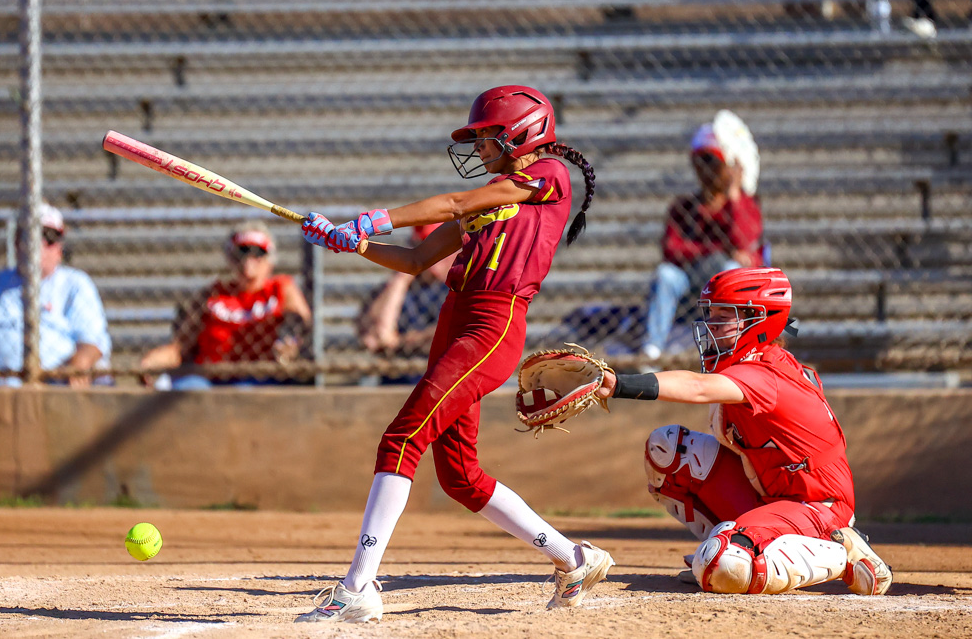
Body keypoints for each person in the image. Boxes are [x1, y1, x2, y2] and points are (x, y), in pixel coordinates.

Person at [296, 85, 613, 623]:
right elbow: (417, 259)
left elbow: (456, 203)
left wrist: (374, 219)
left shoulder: (550, 175)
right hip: (455, 317)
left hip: (493, 322)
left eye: (487, 137)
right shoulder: (493, 196)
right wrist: (351, 242)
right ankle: (574, 559)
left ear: (522, 134)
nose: (479, 148)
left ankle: (358, 587)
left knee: (402, 437)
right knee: (460, 475)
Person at [595, 266, 893, 596]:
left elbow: (696, 387)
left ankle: (843, 551)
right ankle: (729, 543)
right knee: (667, 450)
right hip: (772, 494)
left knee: (724, 567)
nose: (711, 327)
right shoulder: (751, 363)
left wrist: (617, 384)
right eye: (711, 316)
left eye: (724, 318)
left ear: (758, 321)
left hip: (817, 505)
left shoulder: (765, 372)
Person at [640, 110, 765, 365]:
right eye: (701, 161)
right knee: (666, 275)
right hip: (690, 278)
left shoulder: (744, 206)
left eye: (713, 161)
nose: (707, 170)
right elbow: (672, 249)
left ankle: (730, 348)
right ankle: (651, 351)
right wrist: (716, 250)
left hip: (721, 278)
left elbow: (744, 244)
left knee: (732, 268)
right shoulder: (684, 207)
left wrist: (733, 194)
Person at [139, 221, 311, 389]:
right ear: (230, 258)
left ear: (270, 259)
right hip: (208, 375)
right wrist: (150, 362)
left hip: (257, 376)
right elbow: (178, 348)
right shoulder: (213, 294)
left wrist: (291, 346)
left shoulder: (280, 289)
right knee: (187, 390)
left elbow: (302, 324)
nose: (248, 261)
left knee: (243, 392)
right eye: (241, 252)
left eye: (258, 253)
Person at [0, 202, 111, 387]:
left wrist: (79, 364)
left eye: (49, 238)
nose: (40, 243)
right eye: (31, 235)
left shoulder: (74, 285)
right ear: (17, 242)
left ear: (59, 249)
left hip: (54, 390)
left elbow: (93, 342)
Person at [357, 224, 456, 375]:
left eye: (439, 248)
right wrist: (402, 277)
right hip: (397, 374)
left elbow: (454, 335)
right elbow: (374, 336)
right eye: (423, 246)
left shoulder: (460, 288)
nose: (433, 255)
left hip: (443, 372)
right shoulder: (396, 288)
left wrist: (402, 342)